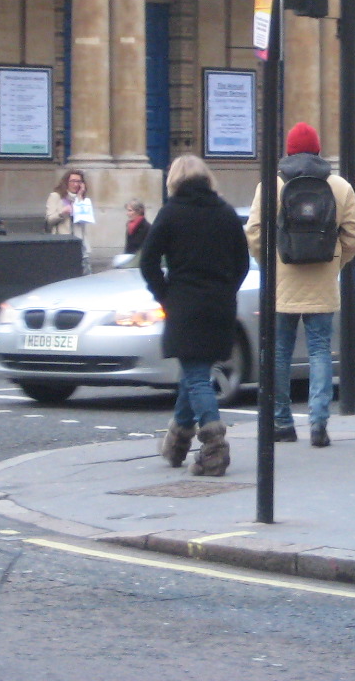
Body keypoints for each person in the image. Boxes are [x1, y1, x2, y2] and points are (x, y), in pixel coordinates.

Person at [246, 122, 355, 448]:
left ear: (288, 150)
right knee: (320, 351)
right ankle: (318, 424)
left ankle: (282, 422)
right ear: (318, 151)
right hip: (322, 284)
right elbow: (354, 236)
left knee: (280, 352)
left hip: (281, 283)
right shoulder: (339, 186)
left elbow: (254, 233)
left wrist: (271, 265)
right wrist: (333, 264)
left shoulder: (270, 186)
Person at [138, 155, 251, 478]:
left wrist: (165, 294)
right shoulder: (226, 213)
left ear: (173, 180)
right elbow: (242, 263)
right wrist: (226, 289)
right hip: (219, 305)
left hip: (185, 303)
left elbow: (148, 262)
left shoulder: (171, 213)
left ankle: (215, 448)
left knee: (197, 375)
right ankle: (176, 444)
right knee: (196, 371)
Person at [45, 170, 92, 240]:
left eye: (78, 182)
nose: (76, 184)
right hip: (62, 238)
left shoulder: (81, 199)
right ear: (66, 182)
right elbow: (49, 220)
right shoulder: (56, 196)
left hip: (78, 238)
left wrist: (80, 195)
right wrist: (62, 213)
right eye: (73, 181)